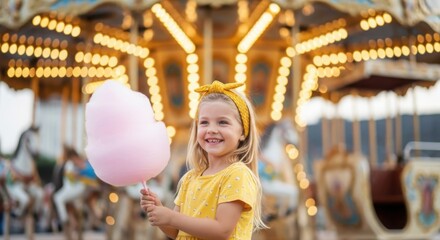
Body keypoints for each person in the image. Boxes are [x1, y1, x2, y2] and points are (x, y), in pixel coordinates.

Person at [140, 80, 267, 239]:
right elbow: (177, 232)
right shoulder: (189, 178)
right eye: (204, 122)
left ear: (242, 132)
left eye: (223, 122)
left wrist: (171, 217)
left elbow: (222, 230)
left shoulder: (237, 174)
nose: (212, 130)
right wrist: (159, 212)